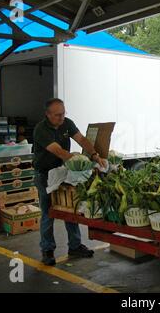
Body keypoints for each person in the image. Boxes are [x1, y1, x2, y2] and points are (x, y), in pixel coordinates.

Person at [33, 98, 106, 266]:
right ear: (48, 114)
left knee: (71, 208)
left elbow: (81, 139)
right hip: (44, 174)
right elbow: (58, 151)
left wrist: (94, 155)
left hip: (63, 172)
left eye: (63, 113)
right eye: (57, 115)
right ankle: (47, 250)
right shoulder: (41, 129)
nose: (61, 117)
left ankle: (74, 246)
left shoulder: (67, 123)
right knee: (48, 211)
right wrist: (77, 159)